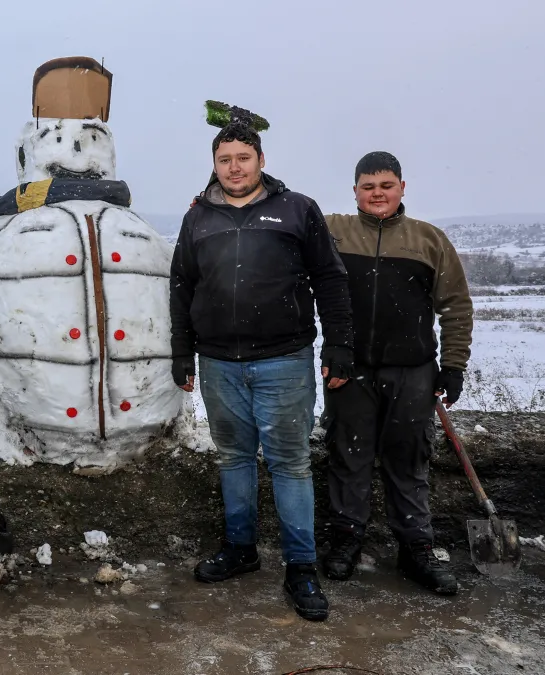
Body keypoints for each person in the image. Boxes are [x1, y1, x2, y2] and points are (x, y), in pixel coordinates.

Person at [170, 116, 354, 622]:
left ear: (261, 160)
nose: (234, 167)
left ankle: (301, 565)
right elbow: (182, 285)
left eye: (243, 158)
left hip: (284, 360)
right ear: (214, 164)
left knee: (289, 462)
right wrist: (182, 351)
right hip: (219, 363)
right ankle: (240, 548)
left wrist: (339, 344)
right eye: (225, 159)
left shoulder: (297, 210)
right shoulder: (198, 218)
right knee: (233, 458)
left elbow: (331, 280)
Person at [320, 151, 472, 595]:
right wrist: (209, 198)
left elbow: (456, 306)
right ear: (355, 192)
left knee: (409, 460)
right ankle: (347, 539)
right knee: (348, 456)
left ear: (402, 188)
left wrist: (454, 366)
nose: (377, 194)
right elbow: (279, 210)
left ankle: (416, 548)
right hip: (349, 369)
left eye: (386, 185)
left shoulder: (429, 239)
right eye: (368, 187)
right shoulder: (333, 231)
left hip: (413, 371)